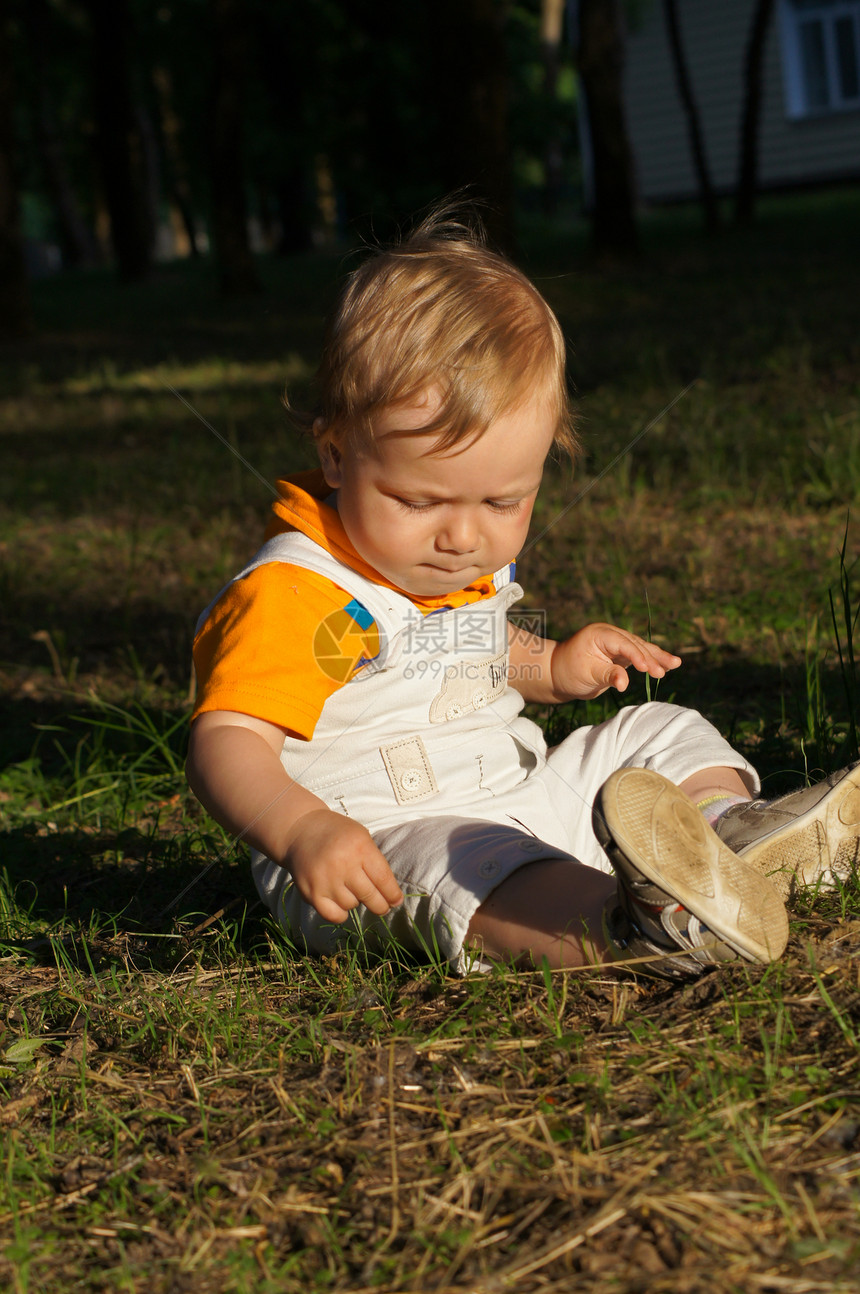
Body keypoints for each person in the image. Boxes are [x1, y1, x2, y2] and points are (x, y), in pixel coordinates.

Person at [186, 208, 860, 978]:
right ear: (337, 453)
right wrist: (300, 829)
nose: (463, 538)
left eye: (502, 504)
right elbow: (225, 743)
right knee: (472, 864)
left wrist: (552, 666)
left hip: (526, 795)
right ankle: (631, 932)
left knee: (654, 729)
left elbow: (480, 654)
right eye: (420, 502)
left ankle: (725, 836)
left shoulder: (453, 568)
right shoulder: (300, 594)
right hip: (377, 846)